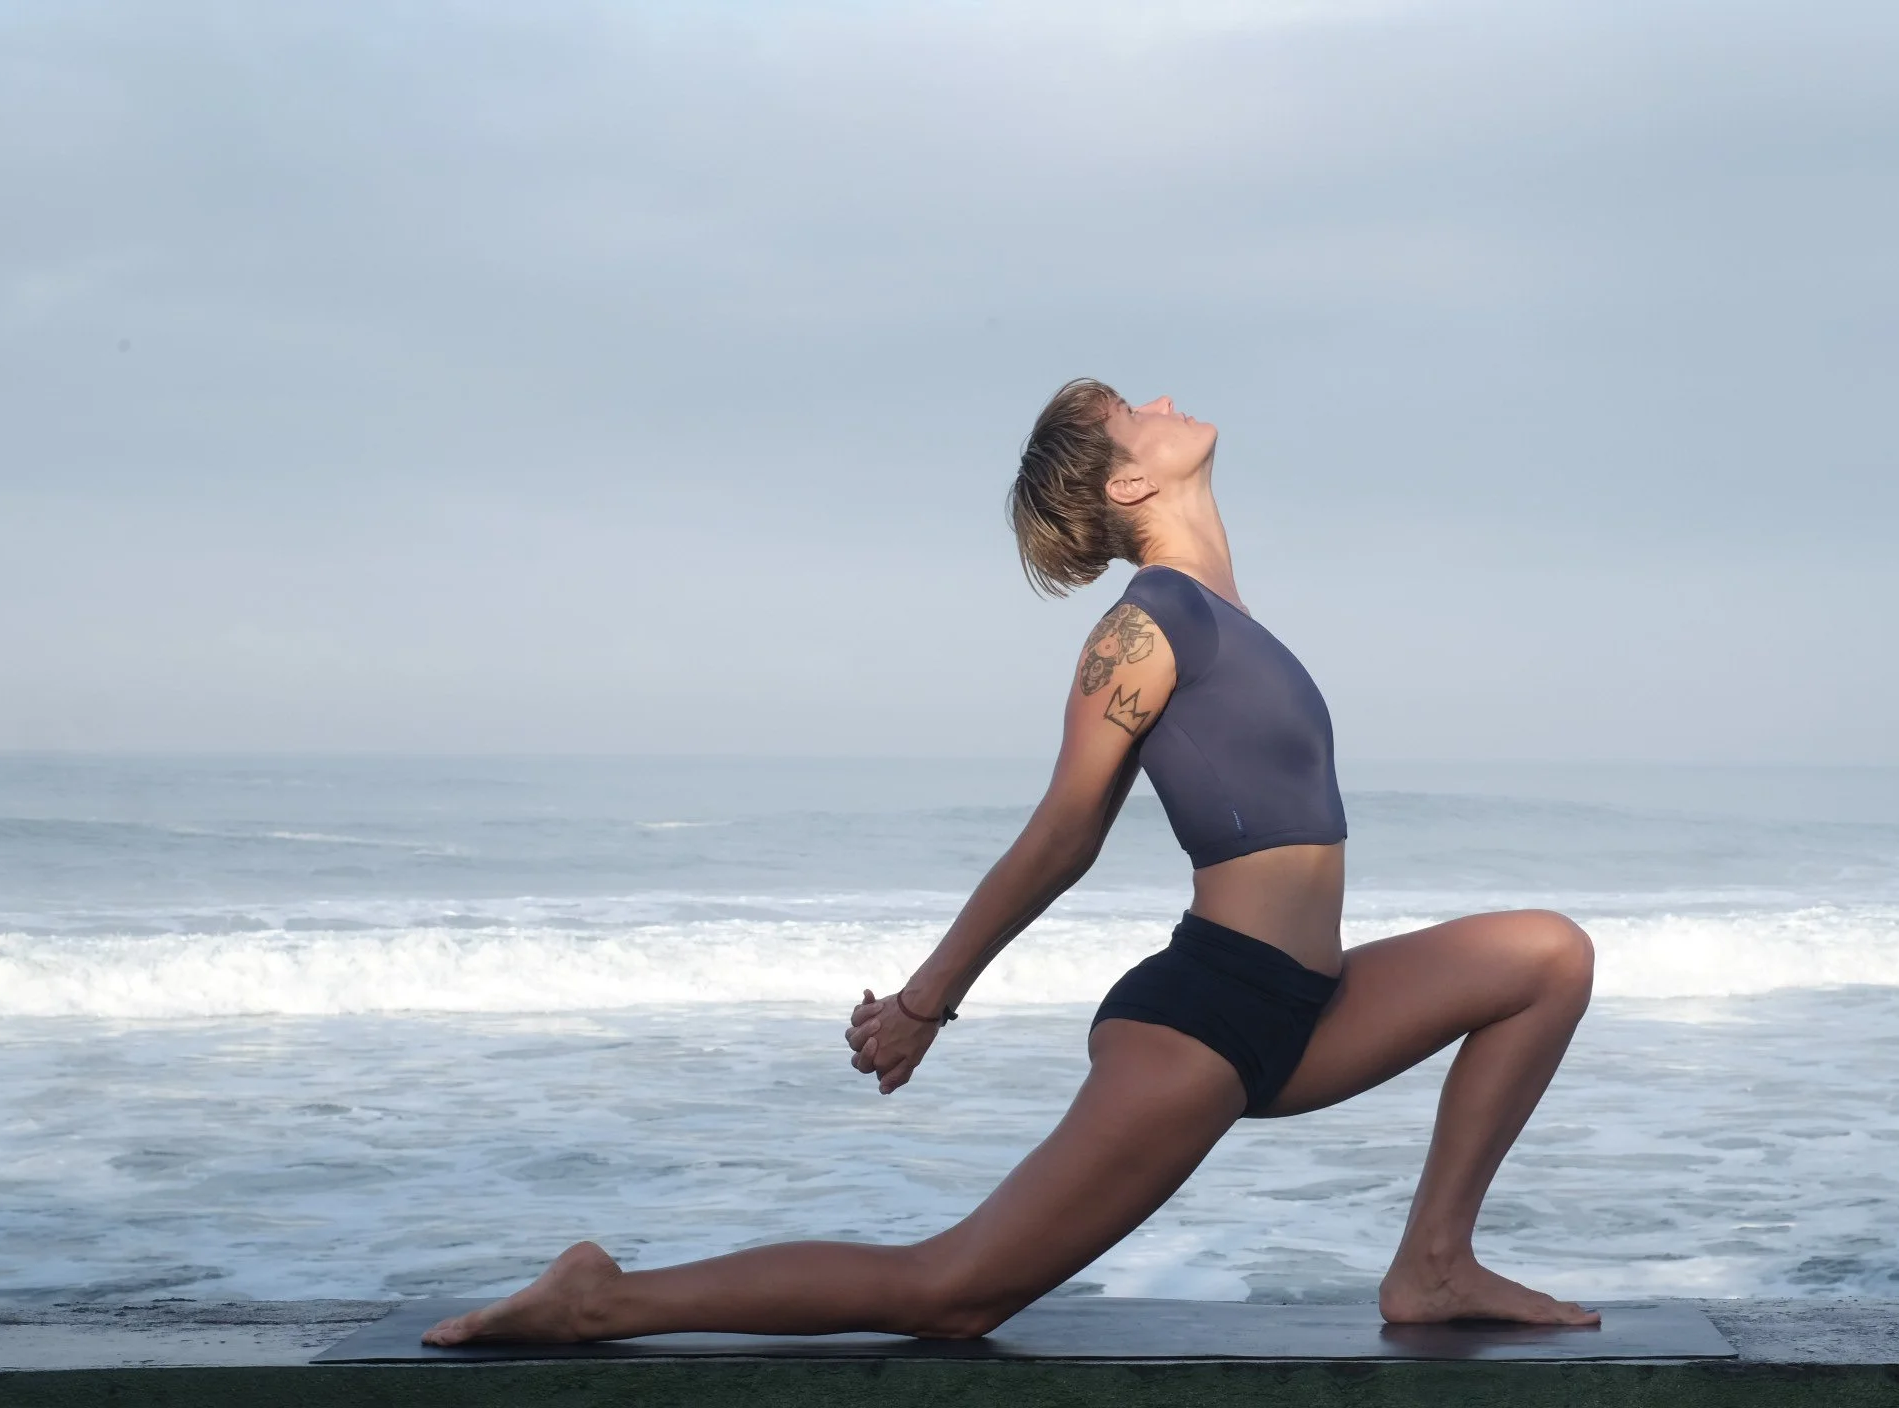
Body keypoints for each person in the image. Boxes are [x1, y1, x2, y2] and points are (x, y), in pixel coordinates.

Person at [424, 379, 1600, 1346]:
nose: (1164, 399)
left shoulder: (1224, 615)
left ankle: (1434, 1260)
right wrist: (928, 1002)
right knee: (954, 1292)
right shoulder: (1146, 625)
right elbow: (1063, 829)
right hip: (1209, 1013)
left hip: (1313, 1000)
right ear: (1130, 482)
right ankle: (601, 1296)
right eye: (1134, 414)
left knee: (1548, 956)